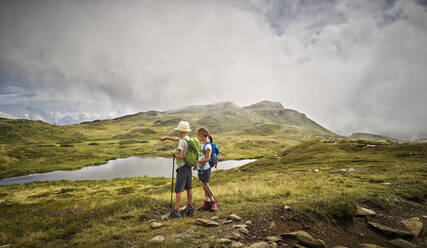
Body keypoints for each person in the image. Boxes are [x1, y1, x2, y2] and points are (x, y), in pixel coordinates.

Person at [160, 121, 195, 219]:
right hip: (188, 167)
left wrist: (173, 153)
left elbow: (180, 156)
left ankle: (176, 212)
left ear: (180, 130)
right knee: (189, 188)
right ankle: (190, 208)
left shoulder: (181, 141)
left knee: (179, 190)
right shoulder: (189, 139)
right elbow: (177, 139)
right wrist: (166, 138)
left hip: (182, 168)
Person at [195, 127, 218, 212]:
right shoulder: (202, 144)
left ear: (201, 136)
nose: (197, 137)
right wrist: (197, 165)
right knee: (204, 186)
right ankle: (207, 203)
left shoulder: (208, 146)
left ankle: (213, 202)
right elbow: (202, 156)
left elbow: (207, 159)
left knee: (206, 186)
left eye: (197, 136)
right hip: (202, 168)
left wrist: (197, 161)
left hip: (206, 168)